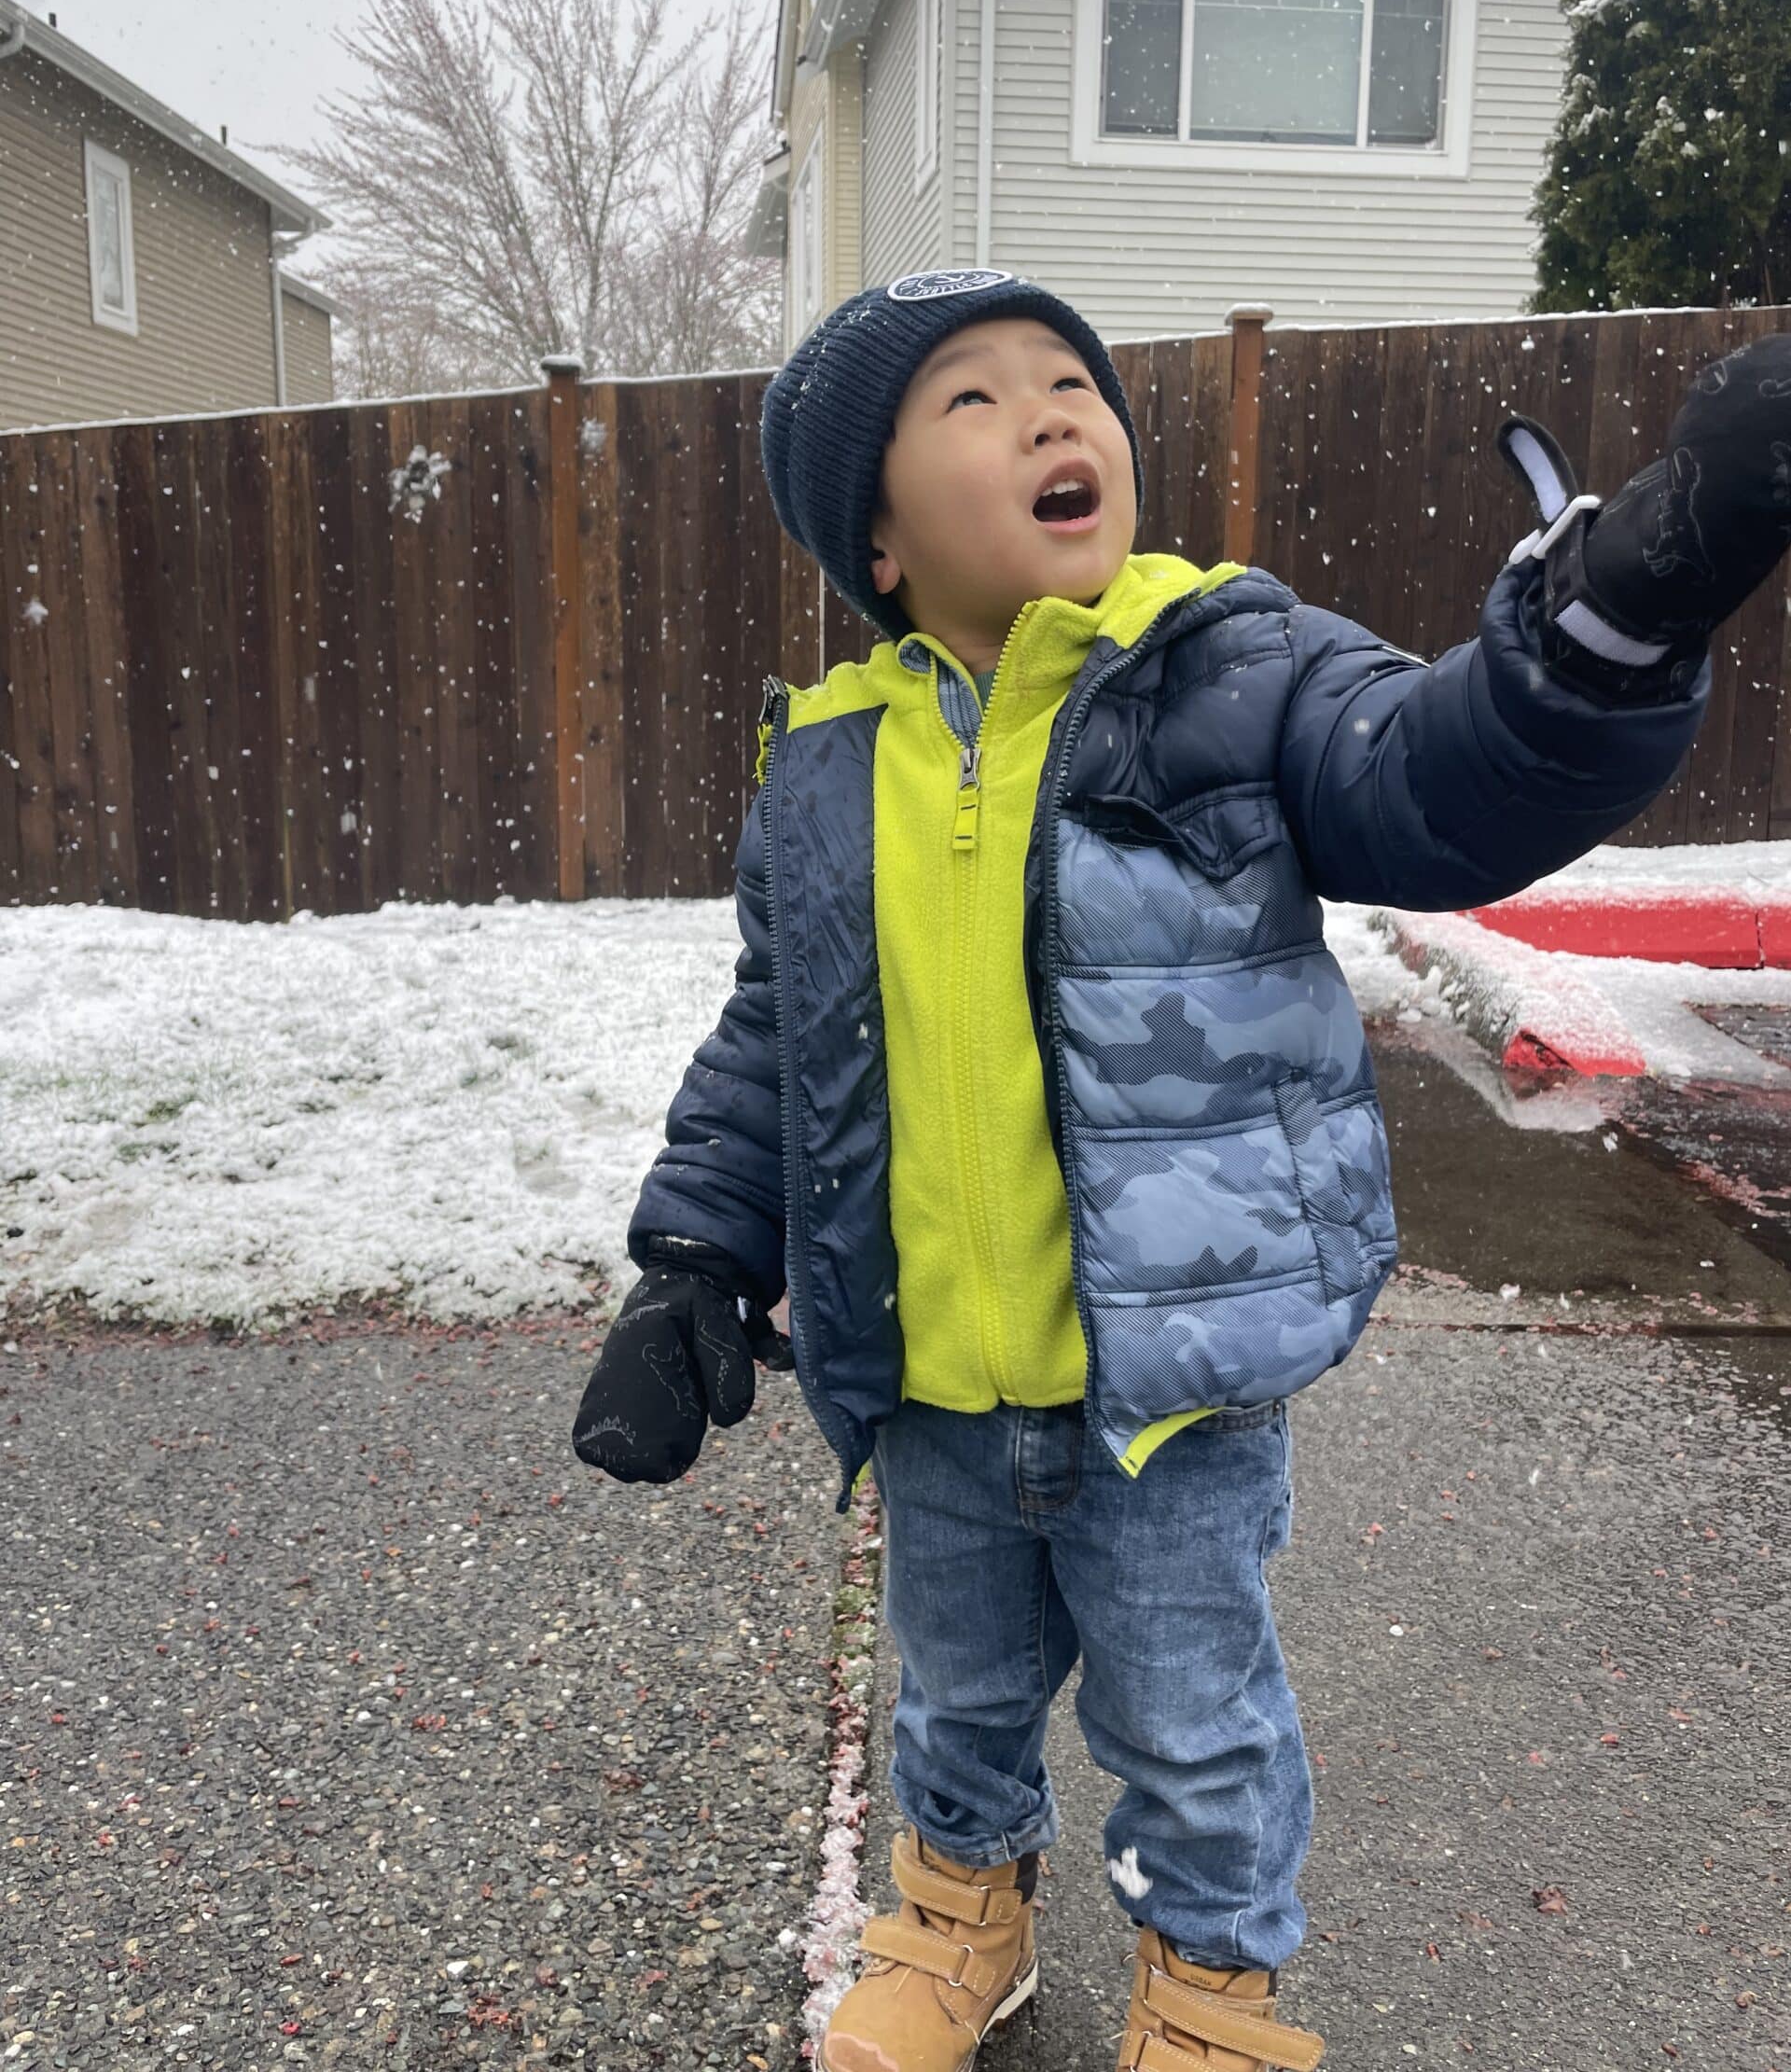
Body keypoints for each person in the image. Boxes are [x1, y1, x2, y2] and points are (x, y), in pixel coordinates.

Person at [573, 268, 1791, 2072]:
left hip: (1168, 1381)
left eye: (1073, 384)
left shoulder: (1236, 671)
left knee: (1191, 1715)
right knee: (959, 1694)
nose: (1057, 414)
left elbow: (1439, 778)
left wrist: (1622, 603)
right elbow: (780, 1034)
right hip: (925, 1379)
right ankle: (958, 1917)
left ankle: (1213, 1990)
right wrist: (692, 1259)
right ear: (880, 542)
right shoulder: (830, 766)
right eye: (973, 402)